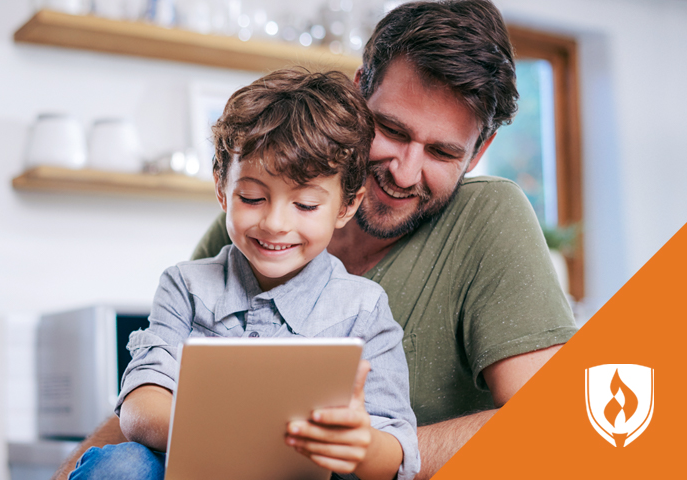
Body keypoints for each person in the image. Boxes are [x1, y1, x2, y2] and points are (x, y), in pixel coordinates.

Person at [53, 1, 577, 479]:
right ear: (356, 97)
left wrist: (348, 449)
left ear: (478, 151)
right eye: (391, 129)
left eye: (442, 153)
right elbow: (157, 380)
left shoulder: (486, 219)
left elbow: (550, 421)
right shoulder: (252, 231)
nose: (405, 170)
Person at [69, 69, 420, 480]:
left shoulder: (362, 308)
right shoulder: (186, 286)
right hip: (190, 469)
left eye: (305, 205)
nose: (274, 223)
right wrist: (237, 433)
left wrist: (363, 445)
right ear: (222, 187)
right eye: (252, 197)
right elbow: (140, 407)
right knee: (122, 465)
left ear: (346, 206)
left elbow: (395, 455)